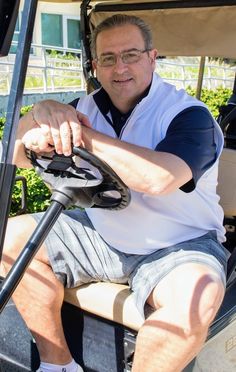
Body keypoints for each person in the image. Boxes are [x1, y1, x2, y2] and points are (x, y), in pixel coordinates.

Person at [1, 14, 228, 372]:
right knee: (9, 239)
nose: (119, 67)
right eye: (108, 58)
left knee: (196, 302)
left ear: (152, 58)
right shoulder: (83, 108)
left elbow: (159, 178)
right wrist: (41, 114)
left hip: (179, 244)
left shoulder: (188, 115)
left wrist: (82, 135)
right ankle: (57, 364)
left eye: (131, 55)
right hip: (104, 233)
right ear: (95, 66)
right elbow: (13, 151)